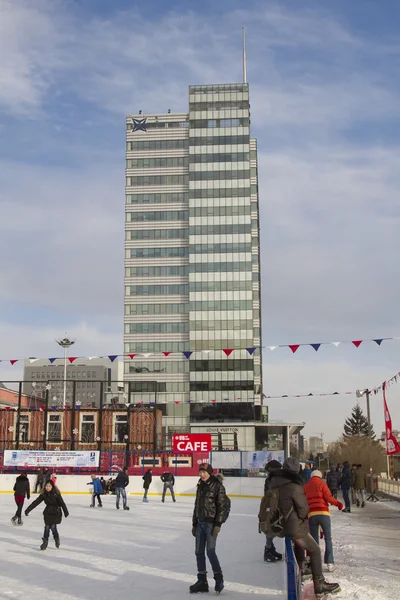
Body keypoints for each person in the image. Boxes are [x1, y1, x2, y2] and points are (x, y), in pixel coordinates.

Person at [269, 457, 340, 597]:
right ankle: (319, 585)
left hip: (280, 524)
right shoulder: (294, 486)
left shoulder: (274, 483)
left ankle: (302, 567)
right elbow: (303, 510)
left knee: (301, 547)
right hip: (293, 525)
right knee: (315, 550)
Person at [190, 463, 227, 594]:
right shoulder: (200, 485)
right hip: (200, 523)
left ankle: (219, 579)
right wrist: (194, 524)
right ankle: (202, 581)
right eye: (200, 472)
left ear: (210, 473)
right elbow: (197, 506)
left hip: (211, 524)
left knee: (210, 551)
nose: (202, 474)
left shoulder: (217, 486)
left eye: (204, 472)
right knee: (198, 552)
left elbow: (221, 507)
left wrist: (218, 524)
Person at [304, 470, 343, 572]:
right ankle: (330, 563)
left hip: (312, 514)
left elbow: (303, 501)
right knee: (328, 538)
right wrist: (338, 503)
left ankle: (315, 563)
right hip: (324, 513)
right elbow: (329, 497)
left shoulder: (306, 486)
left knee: (314, 540)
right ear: (320, 476)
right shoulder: (322, 484)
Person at [25, 480, 69, 550]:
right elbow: (36, 502)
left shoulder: (56, 493)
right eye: (46, 486)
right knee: (47, 527)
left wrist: (66, 512)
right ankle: (45, 542)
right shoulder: (44, 494)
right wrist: (28, 510)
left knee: (53, 527)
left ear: (52, 487)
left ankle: (56, 538)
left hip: (56, 512)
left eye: (49, 486)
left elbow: (62, 503)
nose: (47, 488)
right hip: (48, 512)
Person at [262, 459, 283, 562]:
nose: (267, 473)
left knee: (273, 528)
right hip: (271, 507)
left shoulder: (275, 479)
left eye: (268, 471)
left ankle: (270, 549)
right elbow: (268, 494)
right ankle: (268, 550)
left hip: (275, 506)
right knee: (270, 529)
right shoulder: (271, 479)